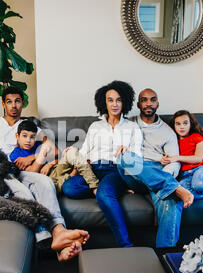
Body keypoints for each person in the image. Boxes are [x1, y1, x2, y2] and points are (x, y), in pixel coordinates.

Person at [0, 86, 89, 261]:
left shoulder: (29, 126)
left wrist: (31, 157)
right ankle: (47, 241)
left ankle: (59, 231)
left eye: (17, 101)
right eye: (9, 101)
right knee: (24, 193)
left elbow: (54, 150)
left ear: (23, 103)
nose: (13, 106)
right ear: (3, 103)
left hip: (20, 170)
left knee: (45, 183)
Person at [60, 80, 143, 248]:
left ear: (124, 102)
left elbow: (138, 157)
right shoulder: (95, 126)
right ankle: (105, 190)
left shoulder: (132, 127)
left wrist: (128, 151)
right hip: (93, 170)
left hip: (115, 170)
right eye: (110, 100)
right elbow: (84, 152)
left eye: (118, 100)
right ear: (103, 102)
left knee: (104, 194)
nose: (114, 104)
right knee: (69, 187)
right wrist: (73, 156)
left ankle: (126, 245)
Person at [116, 88, 194, 248]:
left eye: (152, 99)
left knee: (172, 201)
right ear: (138, 104)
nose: (148, 103)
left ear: (157, 103)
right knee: (126, 157)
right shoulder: (127, 124)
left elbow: (174, 161)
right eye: (144, 100)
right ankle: (173, 187)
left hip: (158, 174)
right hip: (133, 173)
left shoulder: (168, 131)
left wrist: (162, 176)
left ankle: (165, 257)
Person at [9, 120, 99, 195]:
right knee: (49, 189)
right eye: (24, 136)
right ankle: (74, 173)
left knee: (71, 152)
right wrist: (43, 154)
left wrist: (48, 164)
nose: (28, 140)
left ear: (36, 137)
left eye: (32, 137)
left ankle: (95, 187)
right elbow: (32, 172)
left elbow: (57, 157)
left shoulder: (38, 145)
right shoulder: (16, 154)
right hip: (47, 180)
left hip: (56, 168)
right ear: (17, 136)